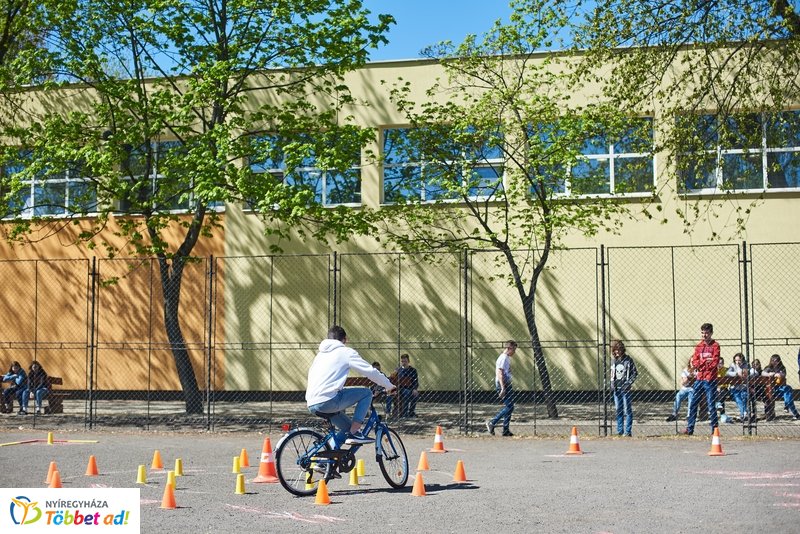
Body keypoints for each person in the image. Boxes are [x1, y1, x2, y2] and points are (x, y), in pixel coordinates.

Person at [306, 325, 395, 447]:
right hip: (329, 400)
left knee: (346, 429)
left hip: (312, 402)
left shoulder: (320, 355)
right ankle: (355, 433)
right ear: (345, 339)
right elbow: (370, 371)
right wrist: (389, 386)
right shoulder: (345, 352)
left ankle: (323, 460)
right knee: (367, 393)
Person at [683, 323, 720, 435]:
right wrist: (704, 362)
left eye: (706, 333)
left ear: (711, 333)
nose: (704, 335)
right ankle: (690, 429)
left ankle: (715, 430)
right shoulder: (699, 346)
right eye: (703, 333)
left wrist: (701, 363)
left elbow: (714, 363)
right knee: (693, 403)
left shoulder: (715, 346)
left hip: (710, 379)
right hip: (699, 379)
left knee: (710, 405)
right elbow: (694, 362)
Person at [486, 340, 517, 437]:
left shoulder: (506, 358)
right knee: (509, 407)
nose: (514, 352)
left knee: (510, 407)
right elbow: (500, 373)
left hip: (506, 384)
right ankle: (492, 422)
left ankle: (505, 430)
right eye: (514, 349)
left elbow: (505, 371)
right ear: (509, 348)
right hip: (503, 385)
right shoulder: (503, 358)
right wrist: (503, 388)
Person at [609, 340, 637, 437]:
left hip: (625, 389)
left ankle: (628, 431)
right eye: (615, 350)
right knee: (618, 410)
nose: (617, 352)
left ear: (622, 350)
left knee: (627, 410)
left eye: (618, 350)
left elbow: (634, 373)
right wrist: (612, 384)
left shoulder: (628, 360)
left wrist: (628, 383)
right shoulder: (613, 361)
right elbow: (612, 374)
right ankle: (619, 431)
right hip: (616, 389)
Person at [761, 354, 800, 421]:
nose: (775, 362)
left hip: (781, 388)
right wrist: (769, 374)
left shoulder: (782, 367)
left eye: (777, 361)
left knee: (788, 389)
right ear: (771, 361)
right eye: (773, 360)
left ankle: (788, 406)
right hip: (771, 389)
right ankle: (790, 409)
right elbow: (762, 373)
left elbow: (783, 374)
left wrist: (780, 374)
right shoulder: (768, 368)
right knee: (788, 393)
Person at [386, 353, 419, 418]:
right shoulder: (398, 369)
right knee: (389, 394)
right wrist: (393, 374)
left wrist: (415, 389)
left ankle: (410, 412)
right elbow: (391, 379)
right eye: (402, 361)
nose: (403, 363)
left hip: (409, 388)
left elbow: (416, 381)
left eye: (405, 361)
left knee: (413, 395)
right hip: (398, 388)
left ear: (408, 361)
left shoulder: (413, 370)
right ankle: (388, 413)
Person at [726, 353, 750, 422]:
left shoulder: (746, 365)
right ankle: (744, 413)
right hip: (735, 387)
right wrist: (736, 373)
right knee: (737, 398)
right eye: (736, 360)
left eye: (739, 360)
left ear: (742, 360)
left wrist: (745, 372)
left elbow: (752, 372)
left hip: (744, 387)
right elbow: (727, 373)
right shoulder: (733, 365)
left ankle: (743, 414)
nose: (738, 362)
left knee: (744, 396)